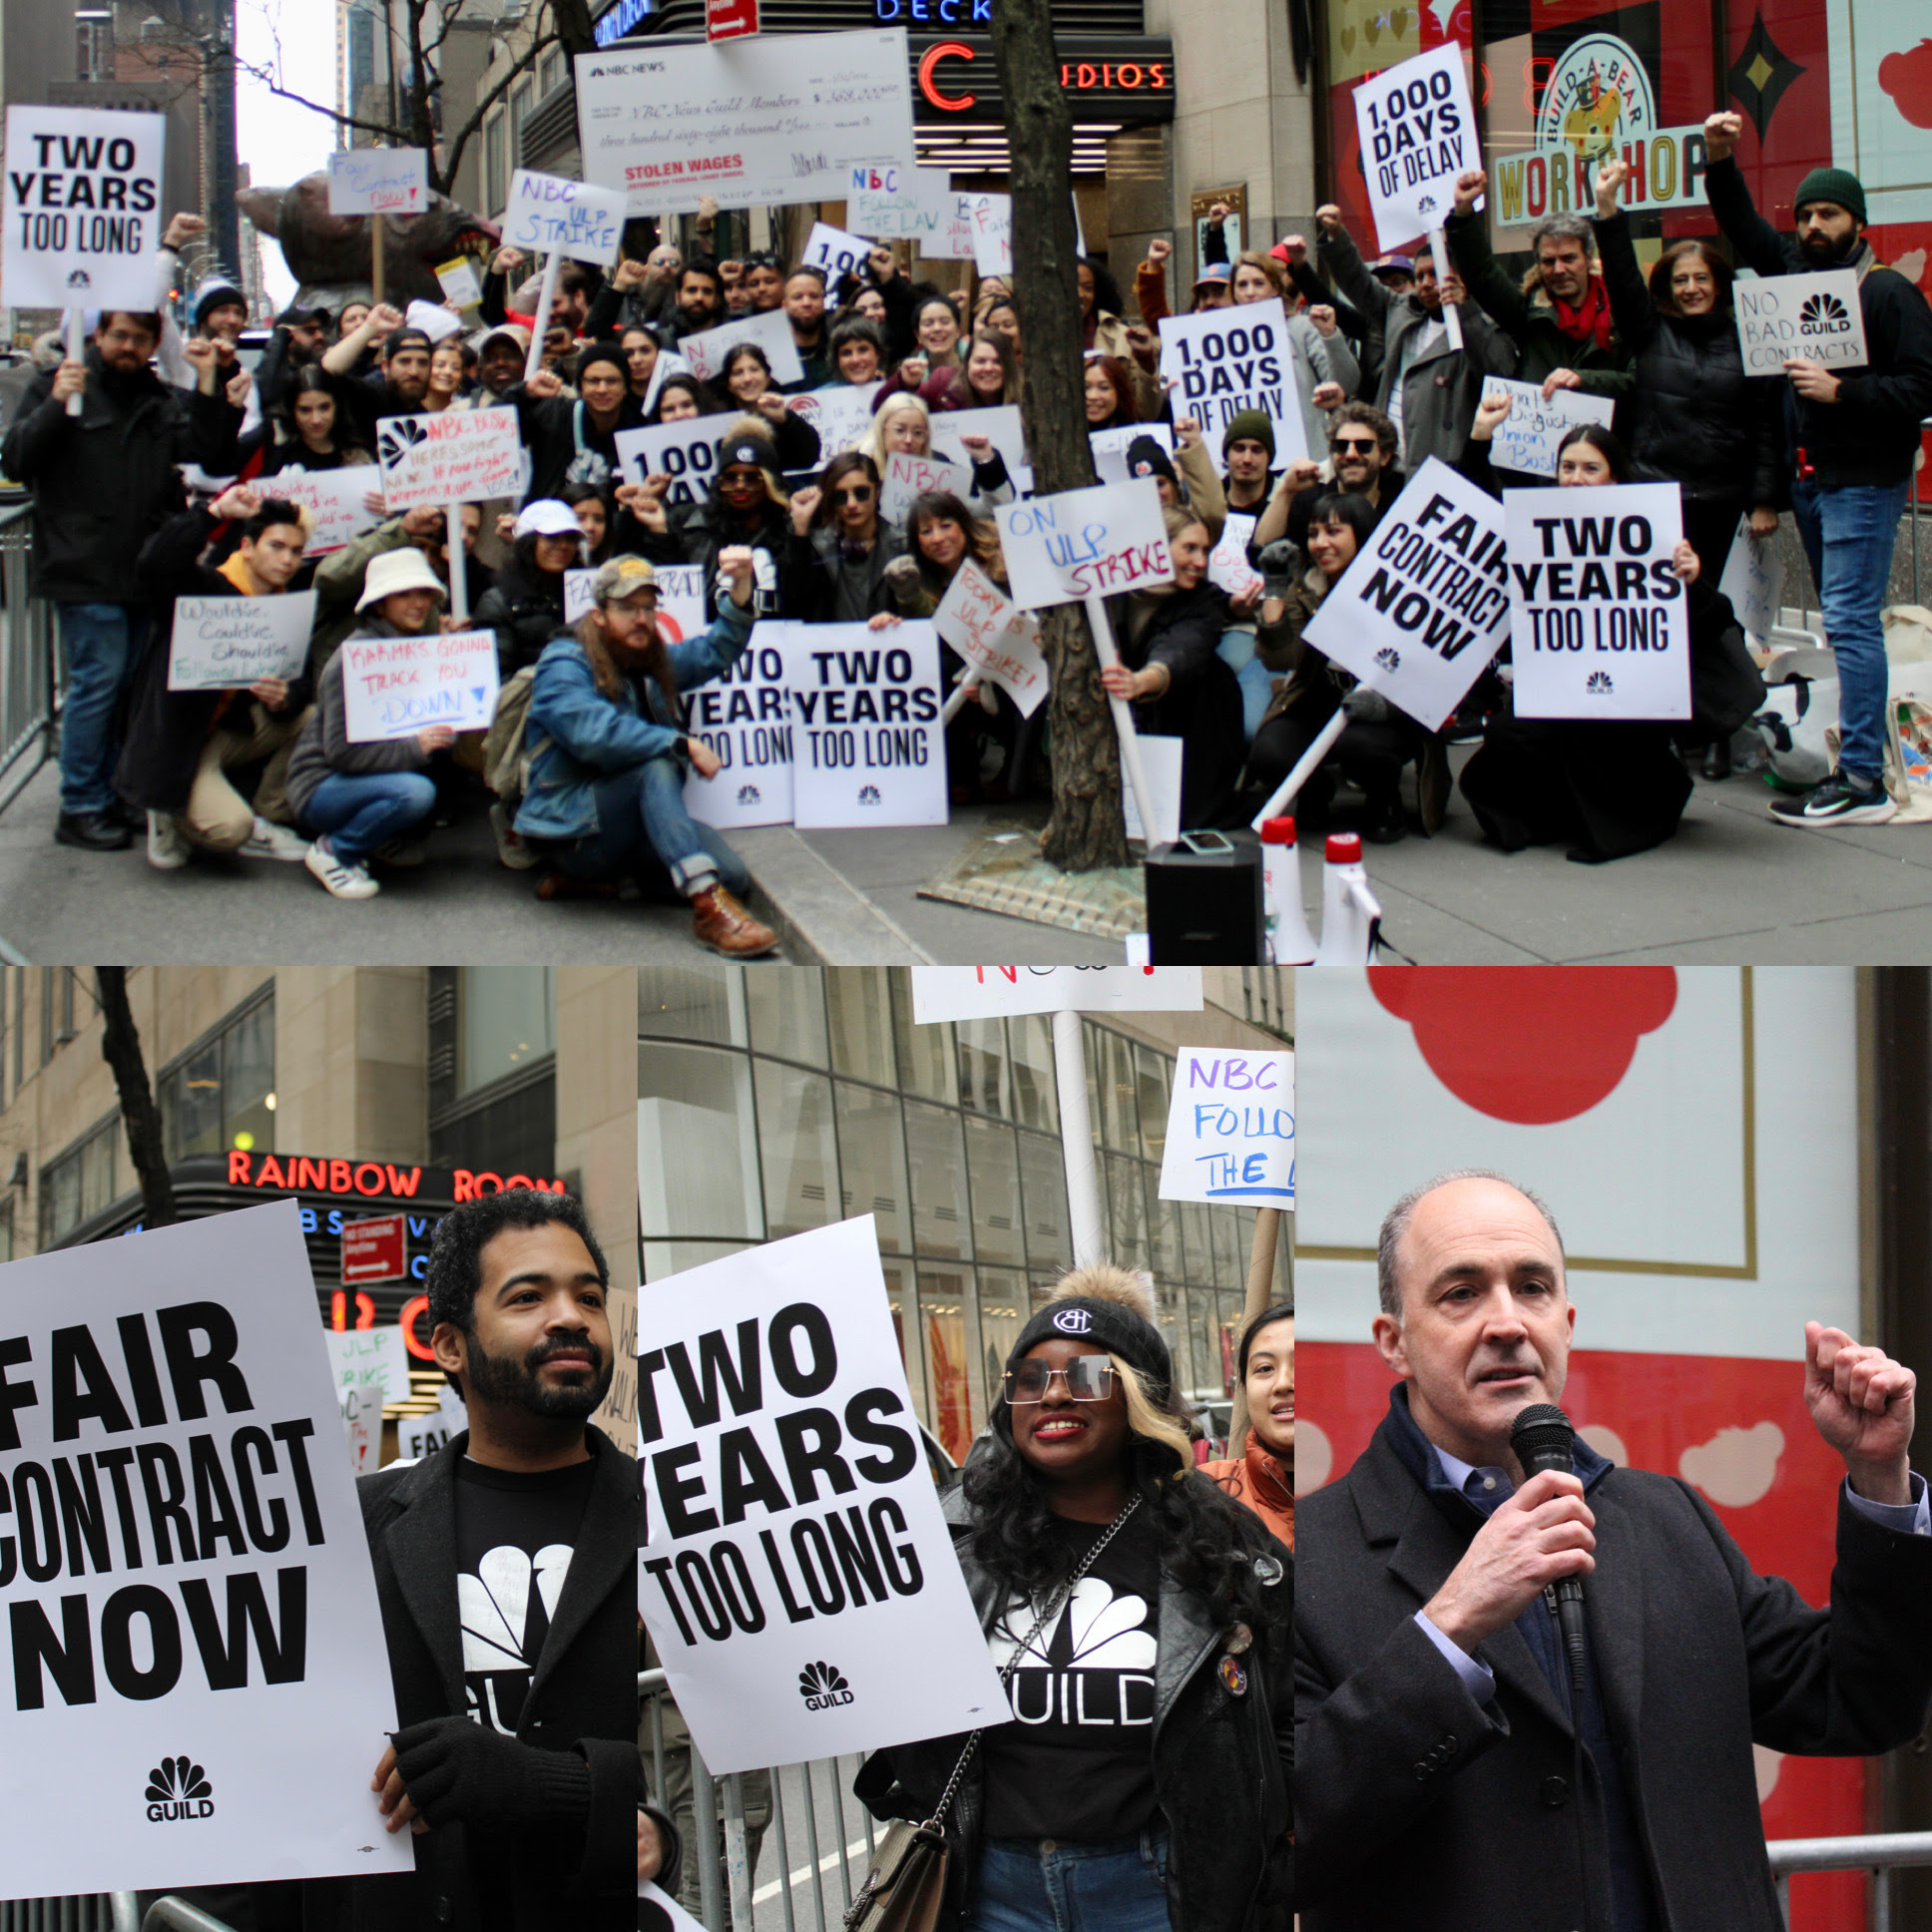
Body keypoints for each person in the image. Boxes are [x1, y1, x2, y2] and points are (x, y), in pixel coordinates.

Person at [1294, 1169, 1932, 1932]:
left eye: (1530, 1287)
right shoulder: (1310, 1559)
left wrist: (1879, 1479)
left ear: (1565, 1321)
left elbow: (1862, 1704)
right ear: (1393, 1342)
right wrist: (1448, 1631)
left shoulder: (1664, 1519)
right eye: (1461, 1293)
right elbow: (1284, 1841)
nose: (1506, 1323)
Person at [854, 1264, 1292, 1932]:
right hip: (990, 1889)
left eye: (1086, 1377)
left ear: (1137, 1400)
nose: (1054, 1396)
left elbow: (1290, 1718)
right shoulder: (947, 1540)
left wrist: (1275, 1855)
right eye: (1030, 1380)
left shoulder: (1227, 1545)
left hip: (1160, 1891)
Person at [304, 1187, 647, 1932]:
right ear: (450, 1343)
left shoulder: (677, 1520)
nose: (570, 1318)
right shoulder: (354, 1525)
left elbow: (727, 1781)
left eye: (589, 1297)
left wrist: (553, 1787)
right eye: (528, 1297)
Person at [1699, 114, 1932, 827]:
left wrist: (1844, 392)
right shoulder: (1795, 277)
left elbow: (1924, 387)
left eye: (1828, 212)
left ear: (1856, 221)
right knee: (1843, 624)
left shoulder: (1887, 292)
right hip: (1817, 482)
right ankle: (1852, 767)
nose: (1812, 224)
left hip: (1864, 481)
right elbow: (1743, 226)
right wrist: (1720, 160)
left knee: (1854, 624)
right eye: (1803, 214)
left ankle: (1862, 779)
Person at [1457, 405, 1748, 863]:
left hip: (1628, 692)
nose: (1576, 478)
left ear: (1614, 479)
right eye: (1567, 467)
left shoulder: (1656, 533)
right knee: (1511, 736)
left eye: (1591, 468)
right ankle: (1544, 818)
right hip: (1553, 682)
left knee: (1596, 738)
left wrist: (1694, 581)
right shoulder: (1534, 528)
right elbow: (1478, 509)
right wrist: (1479, 442)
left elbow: (1713, 624)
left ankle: (1637, 816)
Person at [0, 307, 242, 850]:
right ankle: (80, 805)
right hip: (83, 568)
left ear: (154, 343)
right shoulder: (57, 387)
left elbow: (206, 449)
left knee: (123, 687)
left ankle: (109, 793)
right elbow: (16, 458)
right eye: (118, 337)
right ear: (98, 337)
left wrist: (208, 382)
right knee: (97, 686)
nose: (127, 347)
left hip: (141, 570)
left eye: (139, 338)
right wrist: (59, 404)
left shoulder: (156, 397)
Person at [1573, 153, 1781, 778]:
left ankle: (1720, 726)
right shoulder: (1647, 332)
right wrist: (1607, 208)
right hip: (1652, 496)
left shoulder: (1750, 340)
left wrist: (1765, 497)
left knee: (1709, 612)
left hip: (1719, 498)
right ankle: (1661, 724)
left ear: (1718, 282)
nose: (1691, 287)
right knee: (1653, 614)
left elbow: (1767, 422)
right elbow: (1624, 283)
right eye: (1680, 279)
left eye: (1701, 278)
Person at [515, 551, 778, 954]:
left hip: (631, 825)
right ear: (599, 614)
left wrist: (741, 590)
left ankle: (610, 885)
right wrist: (678, 742)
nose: (641, 619)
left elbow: (712, 652)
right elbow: (593, 733)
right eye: (626, 608)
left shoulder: (644, 656)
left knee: (734, 877)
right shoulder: (563, 663)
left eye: (648, 608)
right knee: (654, 766)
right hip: (572, 830)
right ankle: (708, 908)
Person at [116, 484, 315, 869]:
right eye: (276, 546)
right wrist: (212, 513)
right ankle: (166, 809)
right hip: (176, 739)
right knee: (229, 830)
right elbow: (155, 564)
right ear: (246, 547)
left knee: (310, 717)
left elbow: (301, 682)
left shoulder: (285, 604)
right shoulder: (202, 588)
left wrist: (284, 697)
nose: (287, 560)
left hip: (224, 732)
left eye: (296, 551)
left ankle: (268, 816)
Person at [1234, 492, 1436, 841]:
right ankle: (1314, 793)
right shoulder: (1308, 585)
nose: (1320, 543)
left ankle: (1385, 798)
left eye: (1333, 532)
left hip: (1386, 714)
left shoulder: (1404, 592)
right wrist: (1275, 590)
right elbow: (1280, 659)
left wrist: (1382, 707)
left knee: (1360, 746)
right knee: (1269, 753)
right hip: (1319, 701)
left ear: (1362, 534)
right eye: (1313, 534)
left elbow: (1429, 679)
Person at [285, 547, 454, 899]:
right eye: (403, 594)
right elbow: (342, 756)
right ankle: (335, 851)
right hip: (321, 785)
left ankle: (372, 841)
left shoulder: (411, 649)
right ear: (379, 605)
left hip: (360, 779)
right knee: (415, 793)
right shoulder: (354, 661)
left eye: (423, 592)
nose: (418, 602)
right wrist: (415, 748)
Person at [1313, 205, 1513, 471]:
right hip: (1387, 462)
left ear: (1459, 278)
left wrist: (1466, 313)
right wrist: (1337, 235)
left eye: (1435, 274)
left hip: (1441, 467)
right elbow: (1358, 282)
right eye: (1419, 276)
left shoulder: (1482, 325)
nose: (1426, 283)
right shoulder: (1401, 311)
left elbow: (1498, 372)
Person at [1098, 507, 1246, 827]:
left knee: (1186, 821)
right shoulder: (1110, 593)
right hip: (1141, 714)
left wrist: (1143, 680)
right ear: (1156, 546)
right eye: (1189, 548)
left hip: (1200, 718)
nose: (1201, 562)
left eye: (1205, 550)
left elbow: (1183, 650)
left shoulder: (1205, 600)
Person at [1443, 172, 1631, 399]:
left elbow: (1637, 383)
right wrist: (1463, 213)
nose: (1559, 269)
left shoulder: (1621, 313)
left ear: (1588, 259)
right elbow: (1483, 274)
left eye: (1569, 258)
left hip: (1603, 433)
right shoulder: (1528, 315)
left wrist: (1583, 380)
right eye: (1549, 261)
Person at [614, 420, 791, 622]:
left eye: (751, 478)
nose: (740, 486)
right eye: (730, 478)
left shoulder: (791, 530)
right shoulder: (690, 524)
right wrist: (653, 527)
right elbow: (670, 600)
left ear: (769, 482)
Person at [1201, 1305, 1293, 1550]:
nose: (1283, 1383)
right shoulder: (1205, 1495)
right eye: (1265, 1368)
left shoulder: (1375, 1489)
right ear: (1244, 1388)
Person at [784, 451, 910, 622]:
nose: (851, 504)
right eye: (840, 496)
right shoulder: (816, 547)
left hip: (889, 644)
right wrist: (800, 528)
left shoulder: (904, 545)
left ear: (878, 491)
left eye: (861, 493)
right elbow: (794, 603)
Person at [511, 341, 646, 501]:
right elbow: (498, 431)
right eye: (593, 381)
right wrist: (524, 393)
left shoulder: (639, 431)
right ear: (580, 387)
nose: (602, 389)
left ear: (625, 387)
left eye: (611, 381)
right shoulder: (553, 414)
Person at [476, 500, 584, 677]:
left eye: (570, 538)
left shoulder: (590, 595)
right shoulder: (497, 603)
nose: (563, 545)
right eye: (552, 537)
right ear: (528, 543)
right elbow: (499, 678)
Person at [236, 364, 373, 480]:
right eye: (305, 410)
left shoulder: (358, 452)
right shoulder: (274, 441)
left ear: (337, 406)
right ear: (292, 411)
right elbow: (225, 462)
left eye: (324, 408)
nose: (316, 419)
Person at [716, 344, 821, 468]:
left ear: (767, 378)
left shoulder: (784, 417)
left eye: (754, 370)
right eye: (738, 373)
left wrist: (786, 421)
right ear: (728, 383)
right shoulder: (717, 423)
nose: (747, 378)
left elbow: (809, 458)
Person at [779, 268, 833, 390]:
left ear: (823, 303)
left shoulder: (840, 347)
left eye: (814, 296)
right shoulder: (772, 354)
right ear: (784, 306)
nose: (806, 303)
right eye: (797, 297)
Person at [1084, 354, 1143, 432]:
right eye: (1086, 388)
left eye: (1104, 388)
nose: (1092, 396)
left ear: (1119, 392)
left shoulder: (1137, 435)